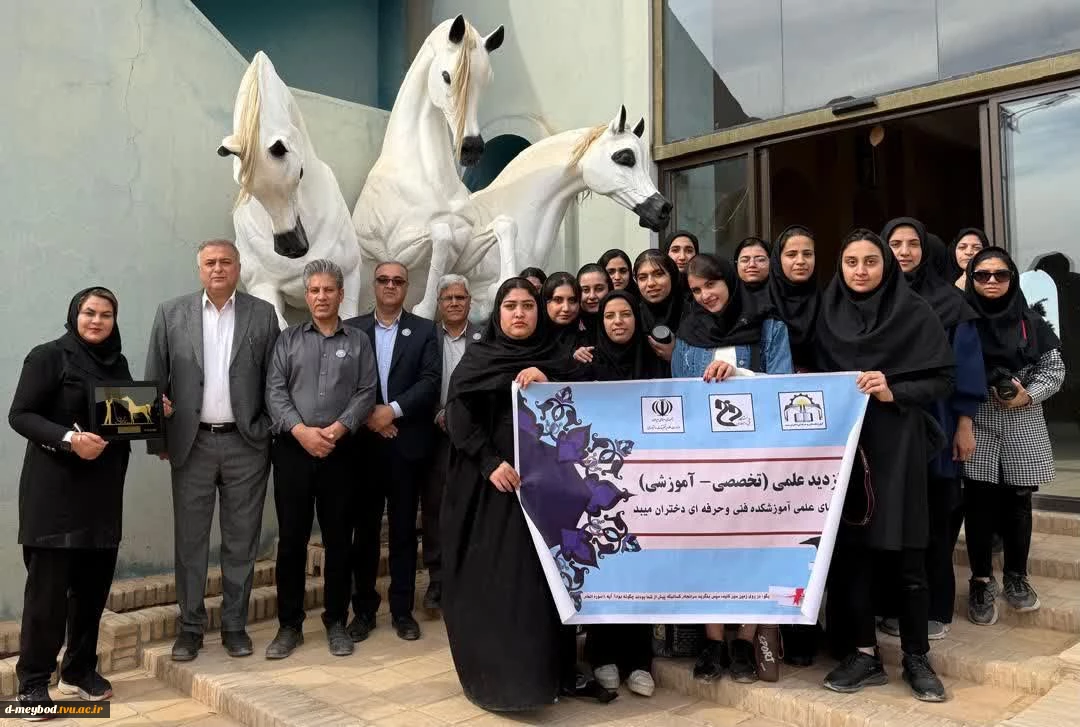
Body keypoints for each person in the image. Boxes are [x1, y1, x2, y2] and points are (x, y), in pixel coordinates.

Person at [815, 229, 953, 703]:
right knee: (855, 556)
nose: (860, 270)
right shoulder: (827, 312)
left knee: (908, 556)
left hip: (898, 446)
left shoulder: (914, 313)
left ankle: (917, 657)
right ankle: (864, 655)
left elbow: (942, 379)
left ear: (886, 265)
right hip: (845, 448)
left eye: (870, 261)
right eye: (851, 262)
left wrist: (894, 389)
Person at [441, 278, 590, 711]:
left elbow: (585, 398)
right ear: (498, 313)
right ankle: (503, 683)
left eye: (528, 305)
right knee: (501, 582)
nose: (520, 313)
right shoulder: (479, 359)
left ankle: (550, 677)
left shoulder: (555, 356)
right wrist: (490, 462)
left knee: (544, 583)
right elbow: (459, 415)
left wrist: (550, 377)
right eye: (510, 306)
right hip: (494, 493)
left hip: (548, 494)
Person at [10, 287, 149, 709]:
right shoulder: (48, 356)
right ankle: (33, 683)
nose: (97, 321)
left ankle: (79, 671)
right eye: (90, 312)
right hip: (54, 496)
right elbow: (21, 415)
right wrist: (69, 440)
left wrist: (151, 411)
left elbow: (118, 416)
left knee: (92, 591)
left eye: (106, 314)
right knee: (47, 597)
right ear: (75, 315)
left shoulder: (117, 362)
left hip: (101, 496)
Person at [145, 239, 280, 662]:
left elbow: (275, 378)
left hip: (247, 445)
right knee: (191, 542)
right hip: (192, 444)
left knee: (242, 541)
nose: (218, 268)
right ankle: (190, 629)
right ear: (199, 269)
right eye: (210, 263)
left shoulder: (262, 314)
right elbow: (156, 379)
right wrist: (159, 440)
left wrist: (267, 432)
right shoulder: (171, 313)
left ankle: (235, 625)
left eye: (225, 262)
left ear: (238, 267)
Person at [670, 254, 793, 683]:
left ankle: (744, 639)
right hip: (705, 460)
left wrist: (740, 373)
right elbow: (679, 396)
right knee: (708, 548)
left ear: (729, 280)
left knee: (754, 547)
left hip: (758, 457)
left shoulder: (768, 324)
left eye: (711, 285)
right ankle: (713, 641)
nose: (705, 295)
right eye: (696, 290)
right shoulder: (688, 333)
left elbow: (784, 384)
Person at [264, 260, 377, 659]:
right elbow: (275, 392)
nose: (321, 297)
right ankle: (289, 626)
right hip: (293, 451)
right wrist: (301, 432)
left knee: (338, 541)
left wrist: (338, 429)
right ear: (307, 295)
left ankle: (336, 622)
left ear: (341, 295)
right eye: (314, 290)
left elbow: (367, 391)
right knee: (292, 541)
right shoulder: (288, 340)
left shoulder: (358, 341)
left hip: (341, 453)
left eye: (329, 290)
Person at [881, 218, 986, 641]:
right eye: (895, 244)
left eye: (912, 244)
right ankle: (891, 606)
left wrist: (965, 423)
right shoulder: (874, 299)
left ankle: (935, 608)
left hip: (937, 423)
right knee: (892, 517)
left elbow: (968, 367)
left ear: (926, 249)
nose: (904, 252)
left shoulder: (950, 303)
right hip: (887, 426)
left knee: (936, 519)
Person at [963, 247, 1064, 625]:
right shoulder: (961, 322)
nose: (991, 281)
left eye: (1000, 274)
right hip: (977, 420)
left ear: (1013, 279)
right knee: (979, 504)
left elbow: (1054, 370)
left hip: (1023, 421)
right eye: (982, 275)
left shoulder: (1031, 322)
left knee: (1019, 503)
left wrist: (1028, 394)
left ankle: (1016, 576)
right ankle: (980, 580)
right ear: (971, 279)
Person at [348, 262, 440, 642]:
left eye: (397, 281)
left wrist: (393, 410)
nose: (390, 285)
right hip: (363, 449)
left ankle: (402, 611)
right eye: (383, 280)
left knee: (403, 532)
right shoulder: (353, 329)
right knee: (365, 533)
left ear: (406, 287)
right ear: (374, 285)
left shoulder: (424, 330)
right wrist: (372, 415)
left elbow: (430, 381)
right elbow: (345, 382)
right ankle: (363, 611)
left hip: (406, 446)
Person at [579, 291, 664, 698]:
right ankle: (603, 655)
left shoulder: (655, 362)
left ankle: (639, 660)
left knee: (640, 568)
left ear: (637, 318)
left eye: (625, 314)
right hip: (599, 484)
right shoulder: (587, 363)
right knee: (605, 565)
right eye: (610, 315)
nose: (617, 321)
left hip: (647, 482)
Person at [424, 274, 482, 610]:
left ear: (469, 302)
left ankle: (470, 579)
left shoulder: (484, 337)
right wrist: (438, 413)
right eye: (448, 298)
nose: (455, 303)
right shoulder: (426, 337)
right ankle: (438, 578)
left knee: (472, 506)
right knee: (436, 507)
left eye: (461, 297)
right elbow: (419, 381)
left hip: (474, 435)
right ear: (439, 304)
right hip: (437, 436)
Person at [767, 225, 819, 372]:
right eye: (791, 255)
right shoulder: (763, 304)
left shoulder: (829, 304)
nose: (801, 261)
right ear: (778, 259)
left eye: (807, 254)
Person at [633, 249, 684, 366]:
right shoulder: (632, 316)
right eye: (642, 277)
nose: (650, 283)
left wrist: (676, 357)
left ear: (672, 276)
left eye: (658, 274)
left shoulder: (691, 312)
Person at [541, 272, 583, 355]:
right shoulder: (532, 340)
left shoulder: (589, 340)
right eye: (558, 300)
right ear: (545, 302)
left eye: (572, 300)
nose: (566, 308)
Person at [734, 236, 773, 314]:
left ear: (772, 262)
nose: (752, 264)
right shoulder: (728, 298)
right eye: (745, 260)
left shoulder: (782, 296)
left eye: (760, 260)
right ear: (736, 264)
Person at [577, 263, 613, 343]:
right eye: (585, 290)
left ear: (609, 289)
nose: (592, 296)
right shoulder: (569, 323)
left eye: (599, 289)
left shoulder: (618, 321)